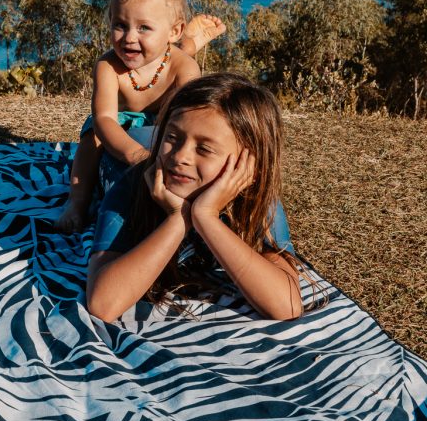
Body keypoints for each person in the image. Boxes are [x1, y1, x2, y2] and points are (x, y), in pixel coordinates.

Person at [86, 72, 303, 323]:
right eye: (172, 137)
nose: (180, 157)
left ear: (249, 166)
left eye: (204, 149)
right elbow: (103, 303)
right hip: (121, 159)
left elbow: (286, 305)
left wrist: (205, 216)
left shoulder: (257, 203)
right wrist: (177, 219)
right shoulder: (132, 184)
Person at [54, 0, 226, 233]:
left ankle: (190, 42)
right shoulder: (108, 66)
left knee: (182, 55)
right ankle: (76, 201)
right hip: (120, 124)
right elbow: (104, 119)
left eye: (144, 27)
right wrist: (135, 154)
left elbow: (192, 121)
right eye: (120, 25)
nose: (129, 38)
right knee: (91, 139)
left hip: (162, 120)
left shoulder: (184, 69)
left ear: (173, 30)